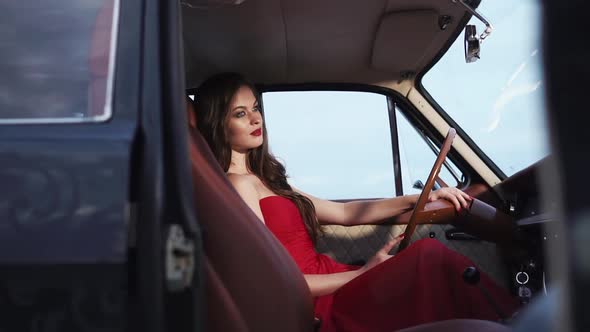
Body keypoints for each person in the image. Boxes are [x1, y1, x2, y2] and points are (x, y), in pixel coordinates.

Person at [191, 72, 519, 331]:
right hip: (317, 302)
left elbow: (347, 213)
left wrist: (425, 198)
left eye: (256, 108)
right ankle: (521, 321)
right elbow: (269, 278)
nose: (255, 119)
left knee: (429, 260)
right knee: (428, 256)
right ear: (220, 124)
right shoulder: (238, 186)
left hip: (335, 282)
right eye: (240, 113)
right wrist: (362, 274)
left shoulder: (266, 180)